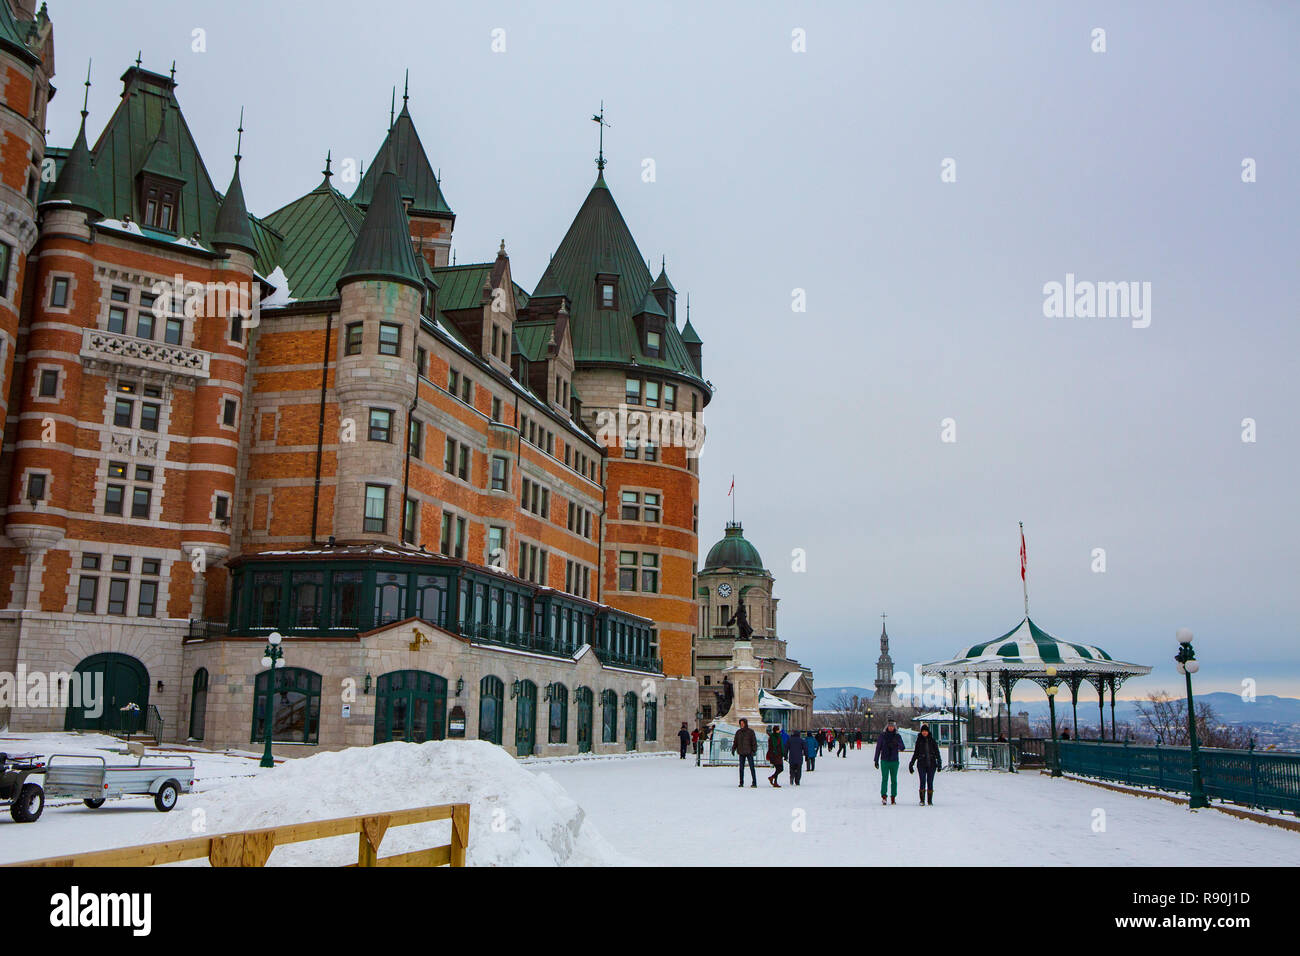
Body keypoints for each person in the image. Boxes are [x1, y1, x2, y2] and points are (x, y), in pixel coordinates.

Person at [873, 719, 907, 805]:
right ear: (887, 727)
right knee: (885, 779)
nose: (891, 727)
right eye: (889, 726)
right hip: (884, 760)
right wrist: (876, 760)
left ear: (894, 727)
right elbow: (878, 748)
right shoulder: (882, 736)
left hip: (894, 761)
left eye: (892, 726)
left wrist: (897, 744)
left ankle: (893, 797)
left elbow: (902, 747)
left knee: (894, 779)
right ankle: (884, 796)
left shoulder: (897, 736)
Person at [909, 723, 942, 805]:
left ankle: (930, 800)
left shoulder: (932, 741)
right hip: (921, 764)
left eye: (925, 731)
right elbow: (916, 753)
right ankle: (922, 800)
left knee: (930, 781)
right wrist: (911, 763)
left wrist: (939, 762)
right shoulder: (919, 741)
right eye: (923, 731)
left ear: (928, 732)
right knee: (922, 781)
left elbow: (937, 752)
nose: (924, 733)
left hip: (932, 764)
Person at [732, 718, 758, 787]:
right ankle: (741, 783)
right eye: (740, 724)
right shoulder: (738, 732)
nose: (741, 725)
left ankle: (754, 782)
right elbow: (735, 742)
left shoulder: (750, 732)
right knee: (741, 768)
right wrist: (733, 749)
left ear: (746, 724)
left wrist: (754, 750)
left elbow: (754, 742)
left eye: (743, 723)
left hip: (749, 752)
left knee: (752, 768)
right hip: (741, 752)